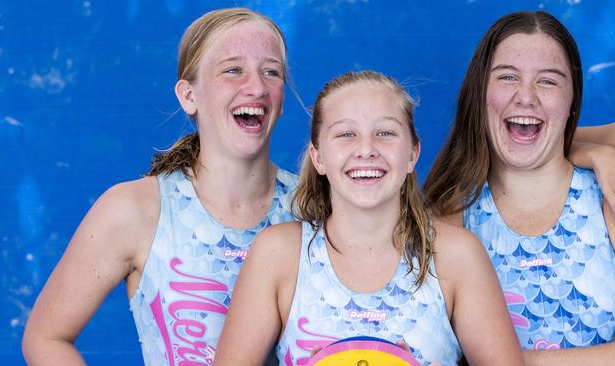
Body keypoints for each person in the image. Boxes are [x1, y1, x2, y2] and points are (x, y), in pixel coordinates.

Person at [22, 8, 297, 366]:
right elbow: (45, 338)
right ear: (188, 95)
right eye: (233, 70)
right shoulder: (134, 209)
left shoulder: (316, 208)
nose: (257, 87)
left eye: (271, 72)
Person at [214, 70, 525, 365]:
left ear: (413, 154)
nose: (366, 149)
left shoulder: (458, 256)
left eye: (385, 133)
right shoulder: (277, 254)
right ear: (318, 157)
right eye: (346, 134)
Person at [423, 11, 615, 364]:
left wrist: (516, 361)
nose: (526, 96)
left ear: (572, 102)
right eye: (507, 77)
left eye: (549, 81)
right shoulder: (447, 222)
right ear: (480, 95)